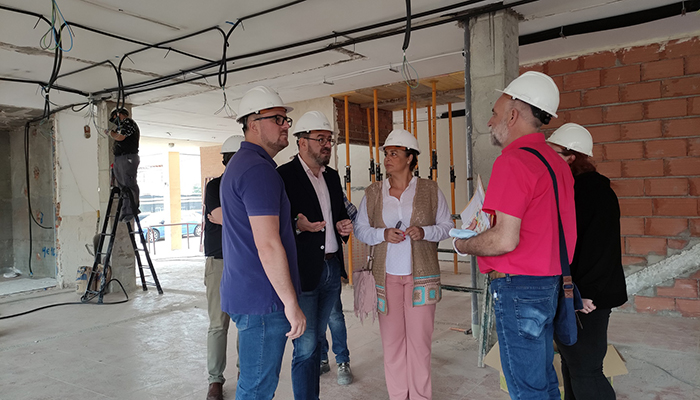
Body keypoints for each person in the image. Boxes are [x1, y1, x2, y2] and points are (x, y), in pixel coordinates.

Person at [453, 71, 577, 399]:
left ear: (512, 115)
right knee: (543, 380)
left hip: (519, 288)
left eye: (495, 113)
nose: (490, 121)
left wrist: (463, 244)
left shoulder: (513, 161)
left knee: (526, 388)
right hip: (550, 284)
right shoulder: (557, 163)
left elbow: (505, 239)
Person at [220, 86, 306, 400]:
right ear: (253, 124)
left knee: (253, 383)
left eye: (286, 119)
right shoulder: (258, 170)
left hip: (248, 293)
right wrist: (291, 304)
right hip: (264, 300)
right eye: (277, 119)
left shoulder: (241, 164)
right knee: (256, 389)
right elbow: (267, 245)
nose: (285, 126)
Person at [354, 129, 452, 400]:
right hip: (386, 278)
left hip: (421, 278)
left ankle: (420, 396)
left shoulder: (430, 189)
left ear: (410, 158)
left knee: (420, 344)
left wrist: (425, 231)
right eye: (386, 153)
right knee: (392, 344)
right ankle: (398, 396)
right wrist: (382, 234)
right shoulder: (374, 192)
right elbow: (360, 229)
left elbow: (447, 226)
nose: (388, 158)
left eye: (394, 153)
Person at [546, 123, 628, 400]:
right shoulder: (574, 190)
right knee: (572, 364)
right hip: (575, 293)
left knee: (586, 369)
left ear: (571, 158)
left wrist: (584, 294)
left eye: (553, 154)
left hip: (587, 298)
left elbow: (599, 248)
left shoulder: (593, 193)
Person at [277, 111, 354, 398]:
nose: (327, 145)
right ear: (301, 142)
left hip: (331, 269)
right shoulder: (284, 176)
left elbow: (340, 215)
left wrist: (344, 227)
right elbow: (273, 223)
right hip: (304, 272)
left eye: (329, 140)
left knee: (316, 340)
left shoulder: (331, 177)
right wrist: (297, 225)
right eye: (320, 139)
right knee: (306, 347)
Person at [203, 135, 243, 400]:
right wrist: (244, 217)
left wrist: (231, 218)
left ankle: (244, 372)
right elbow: (217, 215)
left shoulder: (248, 186)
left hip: (244, 260)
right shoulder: (215, 186)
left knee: (245, 322)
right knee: (218, 324)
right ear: (226, 160)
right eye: (235, 159)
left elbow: (252, 218)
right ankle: (215, 380)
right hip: (218, 260)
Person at [319, 195, 357, 382]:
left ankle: (342, 360)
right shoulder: (294, 183)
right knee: (312, 316)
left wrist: (344, 225)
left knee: (334, 315)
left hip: (331, 261)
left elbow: (353, 214)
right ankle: (321, 358)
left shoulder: (331, 185)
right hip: (305, 265)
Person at [108, 107, 140, 221]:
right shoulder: (122, 125)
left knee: (128, 184)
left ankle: (131, 210)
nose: (115, 121)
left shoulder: (128, 122)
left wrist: (111, 133)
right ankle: (126, 211)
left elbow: (121, 137)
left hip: (127, 157)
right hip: (121, 157)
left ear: (118, 114)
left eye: (114, 118)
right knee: (123, 187)